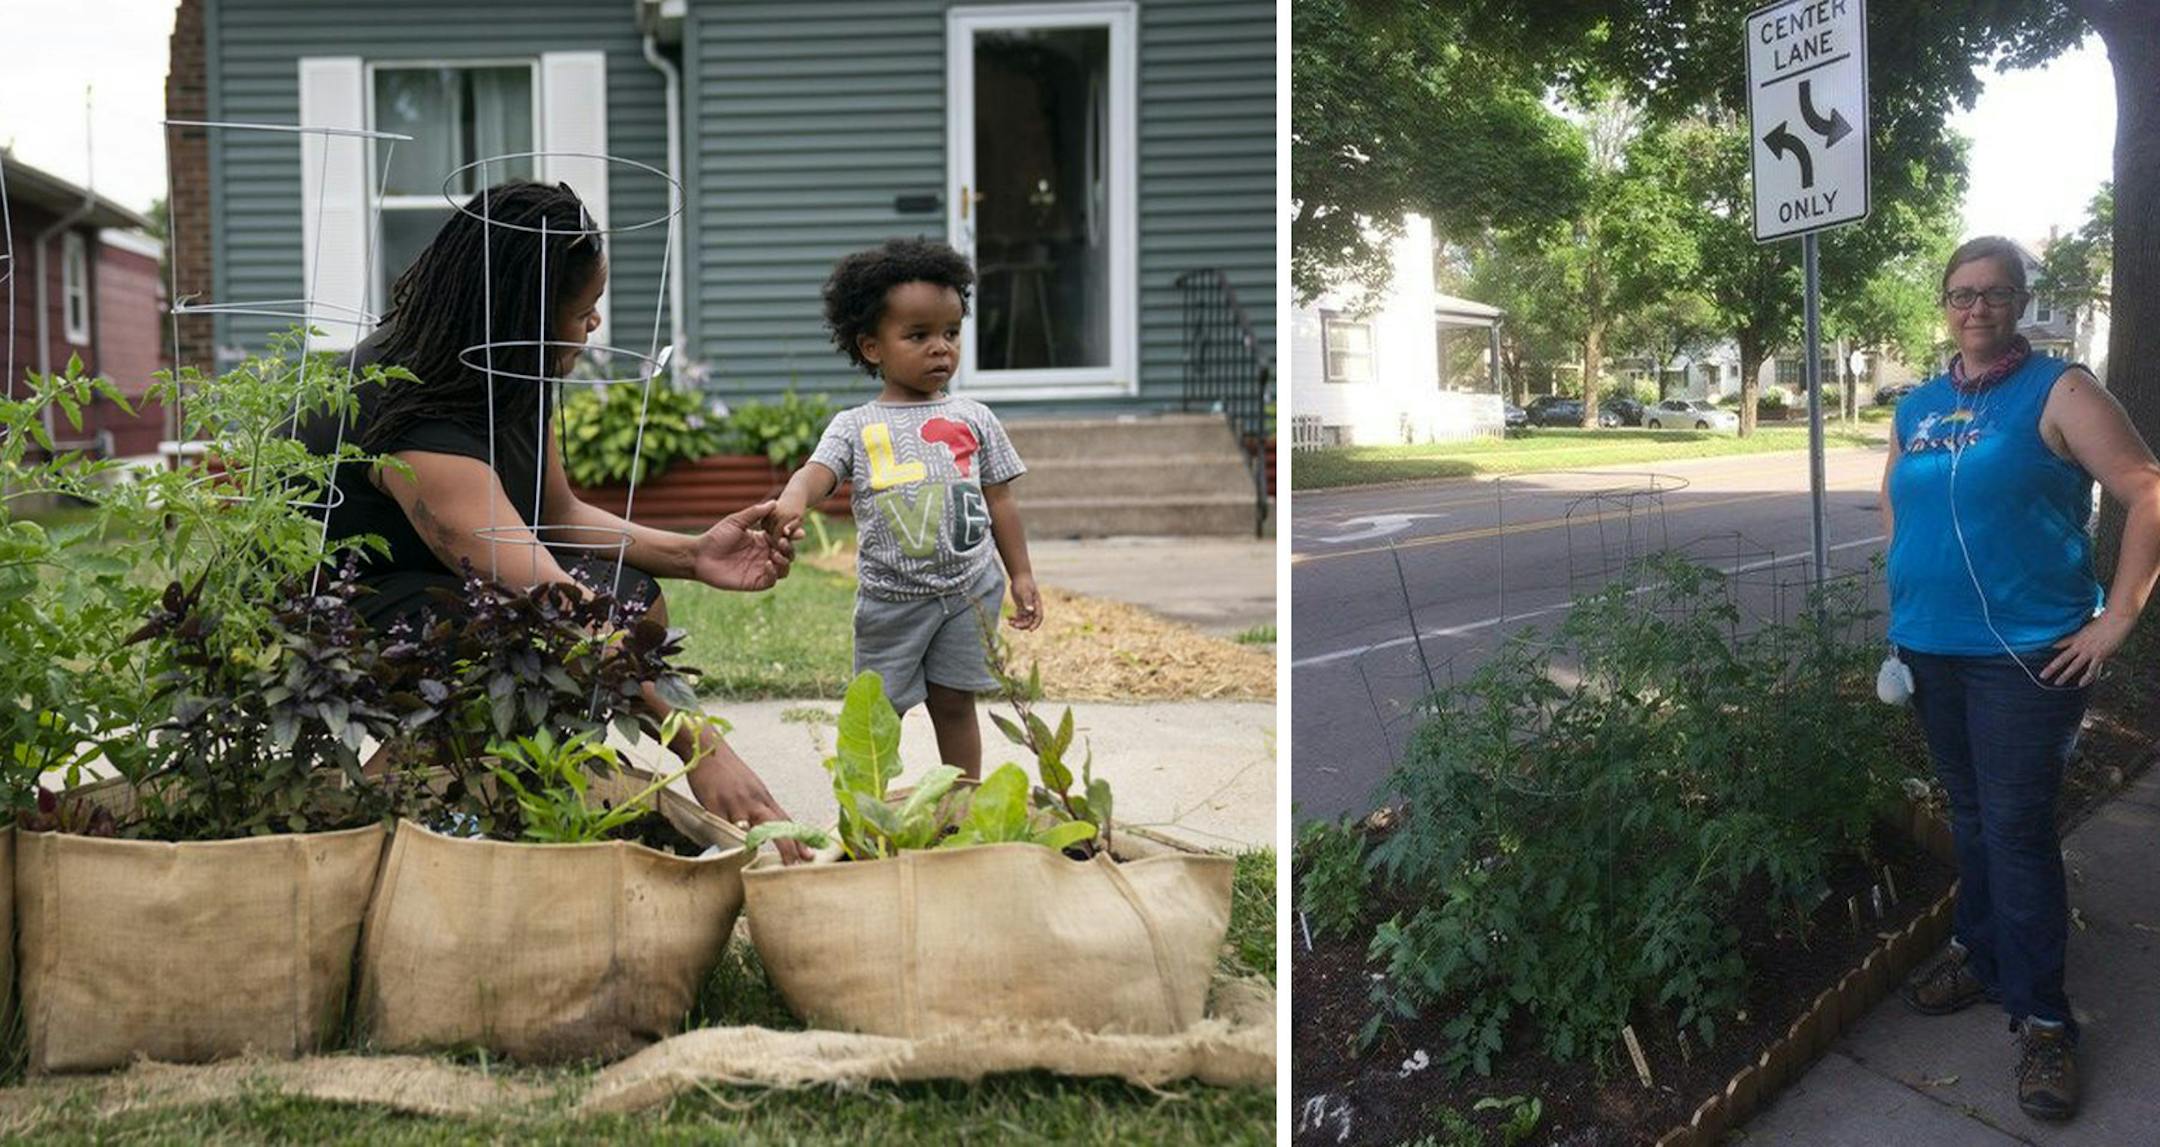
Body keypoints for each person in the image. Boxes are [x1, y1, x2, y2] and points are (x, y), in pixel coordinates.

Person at [296, 180, 808, 859]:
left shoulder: (505, 371)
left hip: (417, 583)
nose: (594, 324)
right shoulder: (417, 413)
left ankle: (483, 788)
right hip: (325, 618)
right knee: (514, 646)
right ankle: (366, 824)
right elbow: (548, 600)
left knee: (632, 599)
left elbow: (556, 514)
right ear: (524, 311)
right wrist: (700, 747)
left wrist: (694, 556)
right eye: (583, 307)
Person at [1883, 235, 2160, 1122]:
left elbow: (2148, 490)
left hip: (2026, 657)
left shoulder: (2060, 390)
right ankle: (1980, 948)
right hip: (1930, 649)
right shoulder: (1918, 405)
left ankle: (2044, 1017)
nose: (1976, 307)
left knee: (2016, 829)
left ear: (2020, 302)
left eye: (1995, 292)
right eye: (1962, 293)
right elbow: (1899, 500)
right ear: (1946, 302)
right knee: (1968, 816)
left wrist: (2116, 619)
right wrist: (1907, 582)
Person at [768, 238, 1041, 776]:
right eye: (918, 335)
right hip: (891, 603)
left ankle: (964, 803)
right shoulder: (855, 424)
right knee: (878, 713)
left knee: (955, 702)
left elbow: (1001, 500)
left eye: (950, 332)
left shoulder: (975, 417)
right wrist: (792, 500)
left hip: (969, 592)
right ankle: (867, 812)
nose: (941, 348)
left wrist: (1022, 573)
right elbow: (817, 472)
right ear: (872, 347)